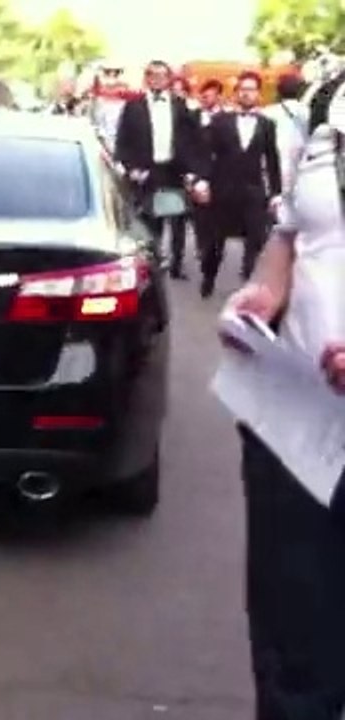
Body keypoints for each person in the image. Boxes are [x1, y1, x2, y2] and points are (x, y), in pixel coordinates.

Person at [223, 68, 345, 719]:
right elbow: (295, 236)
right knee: (292, 653)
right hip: (297, 421)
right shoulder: (332, 107)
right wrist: (264, 296)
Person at [114, 60, 209, 280]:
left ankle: (177, 263)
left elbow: (193, 140)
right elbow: (123, 141)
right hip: (147, 171)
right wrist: (131, 168)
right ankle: (153, 263)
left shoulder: (179, 105)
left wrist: (194, 171)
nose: (157, 79)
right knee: (151, 221)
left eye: (162, 75)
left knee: (176, 220)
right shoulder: (133, 106)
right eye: (153, 75)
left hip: (173, 170)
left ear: (169, 79)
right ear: (147, 78)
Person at [197, 71, 282, 297]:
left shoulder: (267, 125)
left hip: (253, 192)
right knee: (215, 244)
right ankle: (208, 277)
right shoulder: (220, 122)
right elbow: (205, 154)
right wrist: (202, 180)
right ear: (236, 93)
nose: (247, 93)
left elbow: (272, 159)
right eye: (242, 89)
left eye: (251, 89)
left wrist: (276, 193)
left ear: (258, 94)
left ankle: (250, 287)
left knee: (256, 241)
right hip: (222, 190)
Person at [263, 72, 309, 200]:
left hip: (275, 167)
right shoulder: (308, 112)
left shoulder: (267, 113)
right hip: (301, 166)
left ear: (279, 91)